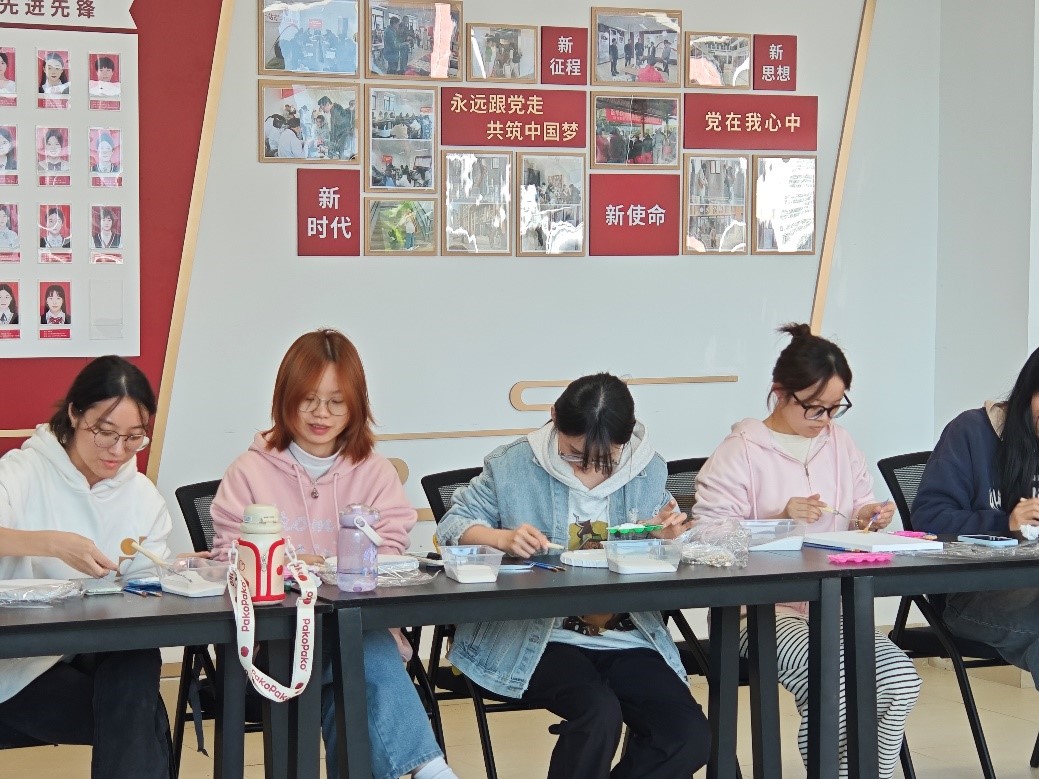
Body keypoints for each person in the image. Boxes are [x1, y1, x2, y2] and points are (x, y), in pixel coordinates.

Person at [436, 373, 710, 779]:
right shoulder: (513, 463)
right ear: (553, 418)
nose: (588, 467)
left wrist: (664, 536)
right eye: (574, 453)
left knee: (687, 736)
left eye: (606, 459)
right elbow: (453, 525)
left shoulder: (647, 468)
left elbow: (665, 534)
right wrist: (502, 538)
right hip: (536, 635)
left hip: (626, 633)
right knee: (598, 714)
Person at [210, 329, 457, 779]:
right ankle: (432, 770)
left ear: (356, 405)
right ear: (284, 398)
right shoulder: (248, 471)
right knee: (361, 662)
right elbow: (230, 557)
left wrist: (340, 566)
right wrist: (293, 568)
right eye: (308, 400)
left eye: (336, 402)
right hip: (275, 645)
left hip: (353, 632)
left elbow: (390, 553)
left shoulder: (375, 472)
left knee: (351, 670)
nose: (321, 414)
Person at [693, 323, 921, 779]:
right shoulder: (740, 450)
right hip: (758, 614)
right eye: (815, 408)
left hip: (833, 605)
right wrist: (779, 517)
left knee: (900, 680)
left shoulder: (840, 442)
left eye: (836, 408)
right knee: (832, 682)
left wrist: (869, 515)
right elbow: (705, 537)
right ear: (780, 392)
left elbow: (858, 507)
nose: (825, 420)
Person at [0, 356, 174, 777]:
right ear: (75, 414)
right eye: (105, 432)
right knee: (144, 719)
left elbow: (147, 586)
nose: (118, 451)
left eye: (133, 437)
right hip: (18, 662)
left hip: (93, 651)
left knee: (137, 659)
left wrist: (175, 571)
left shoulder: (141, 495)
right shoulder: (23, 472)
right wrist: (51, 544)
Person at [913, 345, 1039, 688]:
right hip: (971, 593)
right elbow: (929, 520)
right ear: (1028, 391)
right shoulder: (971, 432)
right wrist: (1005, 524)